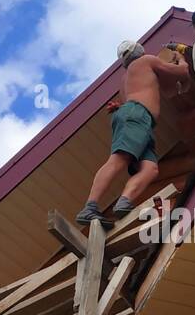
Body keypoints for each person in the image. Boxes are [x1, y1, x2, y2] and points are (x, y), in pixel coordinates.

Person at [76, 40, 185, 226]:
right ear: (140, 51)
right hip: (138, 115)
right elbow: (182, 72)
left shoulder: (126, 78)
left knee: (150, 169)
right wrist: (181, 58)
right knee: (120, 158)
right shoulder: (145, 61)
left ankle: (124, 202)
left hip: (140, 120)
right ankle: (90, 207)